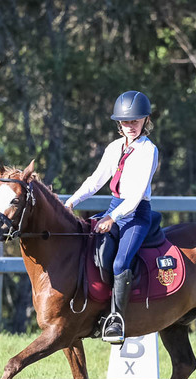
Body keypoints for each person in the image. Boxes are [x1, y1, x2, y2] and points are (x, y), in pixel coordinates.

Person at [64, 90, 159, 343]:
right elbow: (95, 180)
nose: (130, 126)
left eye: (135, 121)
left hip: (135, 214)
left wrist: (112, 218)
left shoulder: (148, 150)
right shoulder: (115, 147)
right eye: (126, 122)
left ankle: (117, 319)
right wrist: (71, 201)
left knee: (119, 263)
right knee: (89, 247)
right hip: (114, 207)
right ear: (119, 123)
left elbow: (137, 194)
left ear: (145, 121)